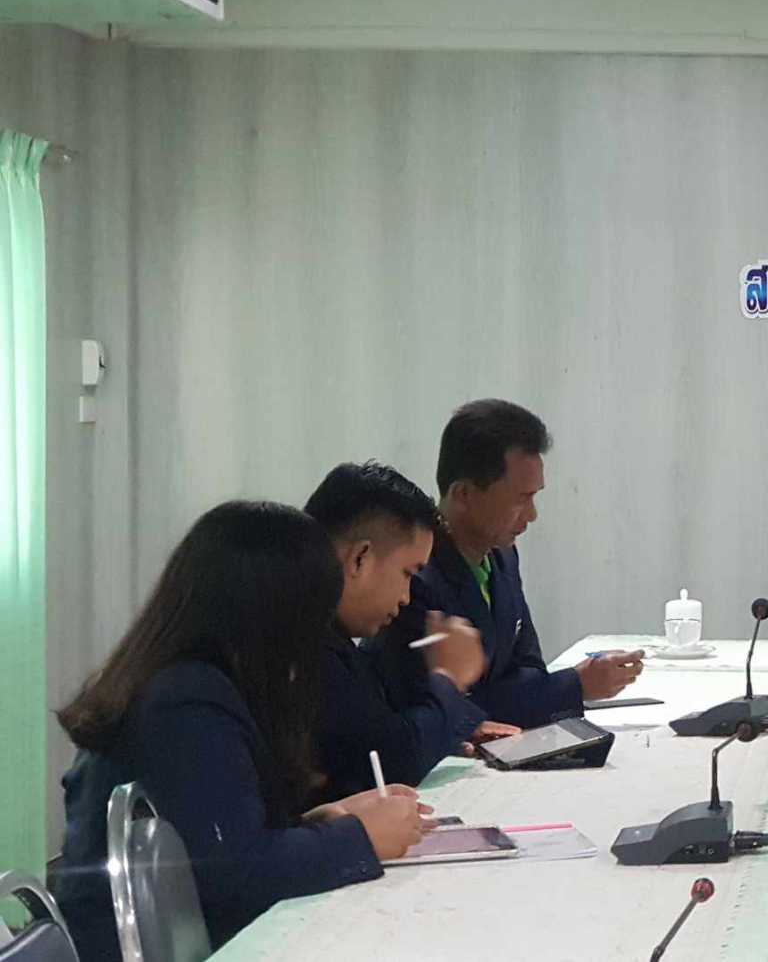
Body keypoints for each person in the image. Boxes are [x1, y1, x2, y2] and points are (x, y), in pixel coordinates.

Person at [51, 502, 431, 962]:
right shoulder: (184, 704)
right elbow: (236, 875)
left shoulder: (189, 682)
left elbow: (218, 838)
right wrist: (360, 838)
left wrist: (323, 821)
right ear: (275, 614)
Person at [369, 399, 642, 728]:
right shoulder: (414, 577)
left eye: (535, 496)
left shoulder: (503, 555)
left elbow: (529, 668)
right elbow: (445, 710)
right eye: (521, 499)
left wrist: (544, 690)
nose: (532, 515)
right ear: (463, 494)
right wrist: (575, 685)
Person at [304, 461, 521, 802]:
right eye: (408, 573)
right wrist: (449, 679)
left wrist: (443, 731)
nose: (406, 596)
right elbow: (392, 760)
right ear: (360, 558)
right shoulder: (302, 643)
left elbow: (377, 733)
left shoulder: (333, 636)